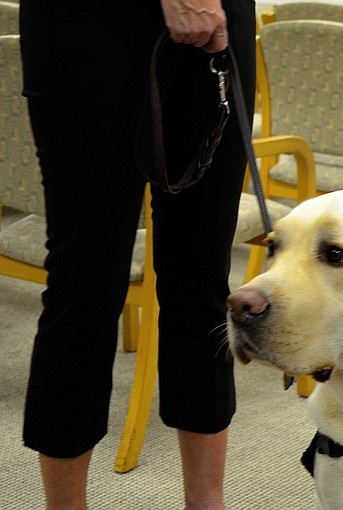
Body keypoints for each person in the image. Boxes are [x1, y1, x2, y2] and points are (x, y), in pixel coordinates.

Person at [18, 0, 255, 508]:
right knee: (85, 284)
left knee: (203, 278)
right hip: (91, 19)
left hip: (220, 13)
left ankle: (206, 503)